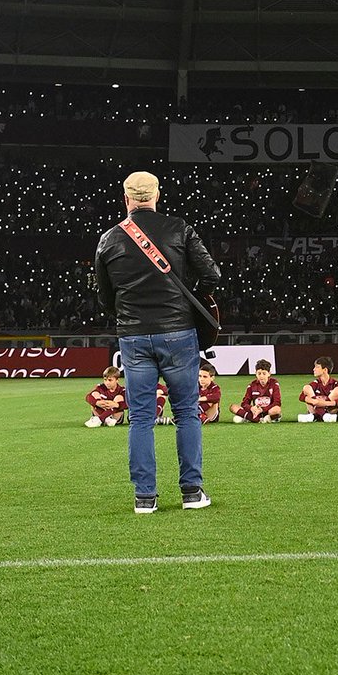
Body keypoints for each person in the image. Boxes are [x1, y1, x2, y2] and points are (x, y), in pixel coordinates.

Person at [94, 170, 218, 513]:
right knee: (187, 413)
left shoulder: (108, 239)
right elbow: (212, 274)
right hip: (178, 333)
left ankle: (144, 497)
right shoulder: (180, 228)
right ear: (157, 196)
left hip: (134, 337)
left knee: (142, 417)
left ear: (126, 199)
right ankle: (192, 492)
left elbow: (104, 299)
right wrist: (186, 299)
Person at [298, 356, 338, 423]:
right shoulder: (315, 383)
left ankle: (314, 416)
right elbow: (301, 397)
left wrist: (324, 403)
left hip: (329, 410)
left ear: (325, 370)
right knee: (306, 387)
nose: (314, 369)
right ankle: (323, 415)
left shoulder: (336, 384)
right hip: (325, 414)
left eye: (317, 367)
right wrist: (314, 401)